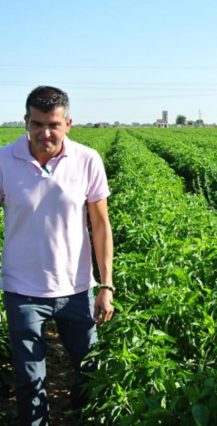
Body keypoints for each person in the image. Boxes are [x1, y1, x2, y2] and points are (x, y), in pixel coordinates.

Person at [1, 86, 115, 424]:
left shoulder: (87, 159)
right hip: (22, 290)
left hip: (76, 288)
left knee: (89, 369)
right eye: (37, 124)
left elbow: (100, 224)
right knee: (29, 380)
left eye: (53, 124)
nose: (45, 133)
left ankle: (81, 416)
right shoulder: (4, 160)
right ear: (25, 121)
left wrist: (106, 285)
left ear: (68, 123)